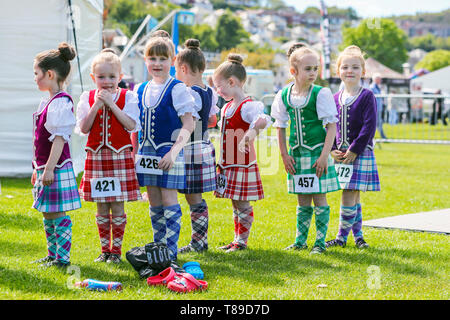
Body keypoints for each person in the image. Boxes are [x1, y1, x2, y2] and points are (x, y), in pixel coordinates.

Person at [271, 45, 340, 255]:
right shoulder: (284, 95)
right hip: (297, 154)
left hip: (317, 154)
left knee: (319, 197)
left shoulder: (321, 93)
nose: (313, 73)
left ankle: (319, 243)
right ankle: (300, 240)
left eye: (315, 68)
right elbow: (280, 127)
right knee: (302, 198)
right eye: (308, 69)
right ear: (293, 71)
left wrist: (324, 156)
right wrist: (284, 154)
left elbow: (331, 127)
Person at [133, 37, 197, 262]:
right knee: (153, 200)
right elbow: (135, 126)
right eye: (152, 58)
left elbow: (189, 124)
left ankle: (171, 250)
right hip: (146, 153)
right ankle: (158, 247)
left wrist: (174, 152)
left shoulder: (177, 88)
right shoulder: (140, 88)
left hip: (170, 152)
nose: (157, 63)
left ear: (172, 60)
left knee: (169, 199)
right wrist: (134, 153)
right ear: (145, 60)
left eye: (162, 58)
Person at [76, 49, 141, 264]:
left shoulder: (127, 96)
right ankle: (104, 250)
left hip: (119, 156)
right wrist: (97, 105)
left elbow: (131, 125)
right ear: (93, 78)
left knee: (118, 205)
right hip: (96, 156)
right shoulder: (87, 97)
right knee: (102, 205)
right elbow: (84, 128)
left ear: (120, 78)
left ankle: (116, 251)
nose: (107, 81)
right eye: (101, 77)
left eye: (112, 77)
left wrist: (111, 104)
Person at [213, 53, 272, 252]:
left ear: (231, 81)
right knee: (235, 202)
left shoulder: (248, 105)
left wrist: (250, 133)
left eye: (218, 86)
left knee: (243, 203)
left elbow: (263, 119)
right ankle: (237, 238)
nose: (217, 91)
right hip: (228, 162)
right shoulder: (228, 107)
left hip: (242, 163)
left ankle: (242, 241)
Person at [31, 42, 81, 268]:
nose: (35, 78)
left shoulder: (60, 103)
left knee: (58, 212)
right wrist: (38, 168)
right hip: (46, 166)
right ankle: (53, 255)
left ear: (49, 74)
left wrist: (49, 168)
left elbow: (60, 139)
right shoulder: (49, 101)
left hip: (56, 166)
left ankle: (62, 258)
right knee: (47, 212)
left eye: (37, 73)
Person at [326, 45, 380, 249]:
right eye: (345, 67)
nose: (350, 71)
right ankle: (358, 237)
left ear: (363, 72)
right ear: (338, 70)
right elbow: (329, 126)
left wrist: (355, 149)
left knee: (349, 192)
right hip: (340, 154)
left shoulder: (367, 96)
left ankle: (341, 238)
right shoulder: (333, 98)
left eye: (355, 67)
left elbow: (369, 126)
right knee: (353, 194)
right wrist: (331, 148)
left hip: (359, 152)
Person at [174, 39, 219, 253]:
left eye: (176, 70)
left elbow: (187, 123)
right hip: (204, 144)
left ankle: (199, 242)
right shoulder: (209, 91)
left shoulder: (190, 93)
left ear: (183, 68)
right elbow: (211, 120)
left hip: (191, 149)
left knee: (193, 198)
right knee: (194, 197)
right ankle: (199, 241)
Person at [369, 73, 387, 139]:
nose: (381, 80)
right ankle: (383, 137)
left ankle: (382, 136)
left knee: (379, 122)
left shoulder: (377, 87)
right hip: (375, 108)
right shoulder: (372, 87)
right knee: (377, 122)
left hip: (379, 108)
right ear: (376, 79)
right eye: (380, 79)